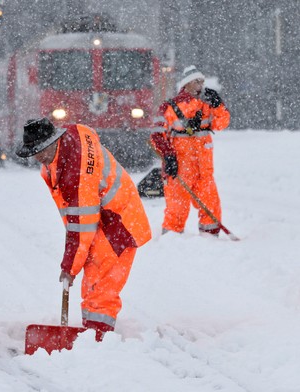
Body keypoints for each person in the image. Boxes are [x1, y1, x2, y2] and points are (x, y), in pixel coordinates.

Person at [16, 118, 151, 340]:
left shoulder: (75, 173)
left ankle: (100, 338)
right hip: (107, 218)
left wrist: (69, 266)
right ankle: (94, 334)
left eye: (39, 151)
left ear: (53, 142)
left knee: (101, 288)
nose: (37, 157)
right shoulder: (67, 143)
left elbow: (82, 225)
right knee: (93, 282)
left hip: (119, 224)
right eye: (34, 152)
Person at [150, 65, 231, 236]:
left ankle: (211, 240)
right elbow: (157, 136)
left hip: (204, 171)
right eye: (196, 81)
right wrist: (169, 156)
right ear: (186, 84)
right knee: (176, 209)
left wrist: (218, 105)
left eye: (202, 81)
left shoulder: (207, 106)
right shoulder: (169, 107)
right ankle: (170, 242)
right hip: (180, 167)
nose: (201, 85)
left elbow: (221, 123)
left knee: (211, 205)